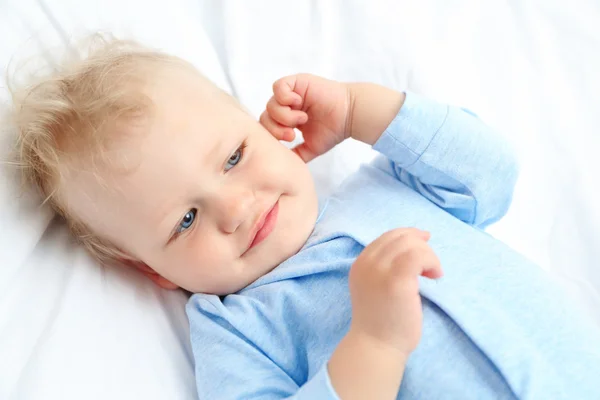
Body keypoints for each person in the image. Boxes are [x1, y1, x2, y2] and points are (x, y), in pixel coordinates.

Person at [9, 38, 600, 399]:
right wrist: (374, 344)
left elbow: (491, 178)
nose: (236, 208)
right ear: (155, 272)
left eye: (235, 157)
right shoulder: (236, 329)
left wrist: (357, 111)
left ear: (264, 128)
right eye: (185, 220)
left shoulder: (381, 183)